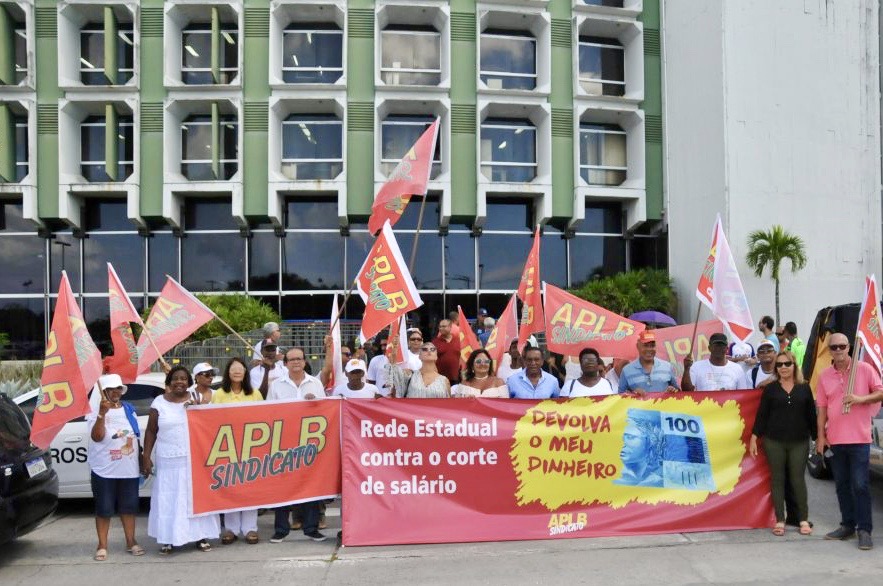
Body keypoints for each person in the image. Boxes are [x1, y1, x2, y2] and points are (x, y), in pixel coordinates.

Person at [816, 333, 883, 550]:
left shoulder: (863, 369)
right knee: (842, 485)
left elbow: (880, 392)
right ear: (830, 350)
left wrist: (860, 399)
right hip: (835, 439)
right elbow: (822, 409)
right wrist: (821, 436)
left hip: (859, 439)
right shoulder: (824, 376)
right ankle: (847, 525)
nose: (838, 350)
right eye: (834, 347)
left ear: (849, 347)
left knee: (860, 485)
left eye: (842, 346)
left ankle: (864, 530)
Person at [142, 366, 219, 554]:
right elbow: (151, 431)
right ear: (169, 382)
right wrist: (146, 456)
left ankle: (200, 536)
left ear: (189, 382)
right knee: (168, 499)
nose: (179, 382)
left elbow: (209, 427)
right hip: (167, 461)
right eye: (175, 378)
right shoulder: (159, 402)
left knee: (193, 499)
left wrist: (197, 409)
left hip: (193, 460)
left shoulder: (196, 399)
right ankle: (167, 539)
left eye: (183, 378)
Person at [749, 351, 816, 537]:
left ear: (794, 365)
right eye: (779, 365)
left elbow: (812, 415)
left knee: (797, 479)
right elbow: (762, 416)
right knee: (777, 479)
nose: (783, 367)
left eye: (787, 363)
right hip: (773, 441)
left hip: (799, 442)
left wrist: (819, 438)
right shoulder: (770, 389)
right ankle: (780, 519)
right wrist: (754, 437)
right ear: (776, 368)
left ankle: (803, 519)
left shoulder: (804, 388)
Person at [267, 347, 328, 543]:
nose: (296, 362)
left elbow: (325, 411)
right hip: (284, 442)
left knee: (311, 485)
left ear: (304, 361)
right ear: (285, 363)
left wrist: (315, 403)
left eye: (299, 359)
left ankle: (311, 528)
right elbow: (268, 413)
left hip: (310, 444)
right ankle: (281, 529)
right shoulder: (276, 385)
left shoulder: (315, 384)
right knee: (283, 487)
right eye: (292, 359)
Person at [87, 374, 144, 561]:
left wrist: (141, 459)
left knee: (129, 507)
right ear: (103, 392)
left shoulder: (129, 409)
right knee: (104, 508)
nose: (115, 392)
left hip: (128, 468)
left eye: (118, 388)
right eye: (110, 389)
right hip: (104, 469)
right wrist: (102, 414)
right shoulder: (95, 411)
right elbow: (97, 437)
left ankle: (131, 541)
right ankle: (102, 545)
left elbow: (135, 435)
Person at [212, 358, 263, 545]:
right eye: (233, 369)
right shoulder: (219, 394)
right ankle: (231, 529)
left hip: (251, 446)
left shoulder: (255, 393)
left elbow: (263, 417)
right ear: (228, 372)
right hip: (226, 447)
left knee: (250, 487)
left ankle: (250, 528)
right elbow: (210, 419)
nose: (237, 372)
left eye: (240, 369)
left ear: (245, 372)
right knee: (230, 486)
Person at [618, 330, 679, 395]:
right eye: (645, 345)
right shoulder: (626, 370)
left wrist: (672, 390)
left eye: (652, 346)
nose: (649, 349)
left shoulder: (667, 367)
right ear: (638, 346)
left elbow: (678, 392)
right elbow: (619, 396)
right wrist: (632, 394)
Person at [614, 410, 664, 487]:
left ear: (651, 441)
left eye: (630, 437)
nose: (621, 443)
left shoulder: (658, 480)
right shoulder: (614, 480)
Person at [433, 318, 461, 385]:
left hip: (456, 377)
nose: (441, 328)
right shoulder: (435, 342)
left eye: (443, 326)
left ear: (450, 327)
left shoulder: (458, 340)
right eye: (440, 326)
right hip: (440, 378)